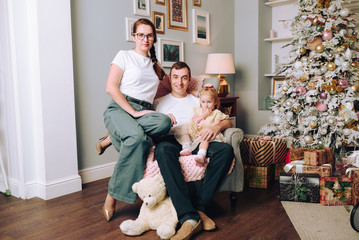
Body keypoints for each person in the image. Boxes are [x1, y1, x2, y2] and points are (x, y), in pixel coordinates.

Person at [100, 18, 172, 222]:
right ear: (134, 37)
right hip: (121, 108)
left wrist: (194, 87)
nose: (145, 39)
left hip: (145, 111)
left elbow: (171, 86)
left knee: (165, 123)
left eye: (149, 35)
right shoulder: (123, 56)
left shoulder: (155, 66)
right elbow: (111, 88)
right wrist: (133, 112)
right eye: (140, 34)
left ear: (154, 38)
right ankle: (112, 196)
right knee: (137, 139)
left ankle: (110, 138)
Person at [154, 62, 234, 240]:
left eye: (184, 78)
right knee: (162, 150)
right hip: (172, 140)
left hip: (196, 139)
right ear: (170, 79)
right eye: (175, 77)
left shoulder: (197, 100)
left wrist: (218, 127)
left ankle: (200, 207)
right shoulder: (160, 102)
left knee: (226, 150)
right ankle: (188, 216)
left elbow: (228, 120)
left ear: (189, 80)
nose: (179, 82)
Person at [175, 84, 229, 166]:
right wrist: (204, 115)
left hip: (206, 134)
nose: (206, 105)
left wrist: (204, 130)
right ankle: (186, 147)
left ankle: (201, 155)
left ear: (215, 102)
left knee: (205, 138)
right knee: (183, 128)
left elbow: (214, 125)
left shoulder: (216, 113)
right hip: (195, 133)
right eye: (203, 102)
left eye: (209, 102)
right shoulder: (199, 111)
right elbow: (194, 120)